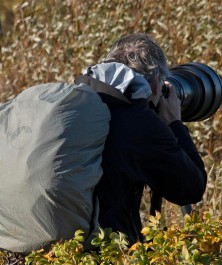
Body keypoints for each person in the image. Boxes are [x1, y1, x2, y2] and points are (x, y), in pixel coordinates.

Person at [84, 32, 207, 244]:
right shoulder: (137, 121)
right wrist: (174, 123)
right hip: (103, 253)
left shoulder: (83, 102)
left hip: (56, 252)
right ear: (155, 83)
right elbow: (191, 187)